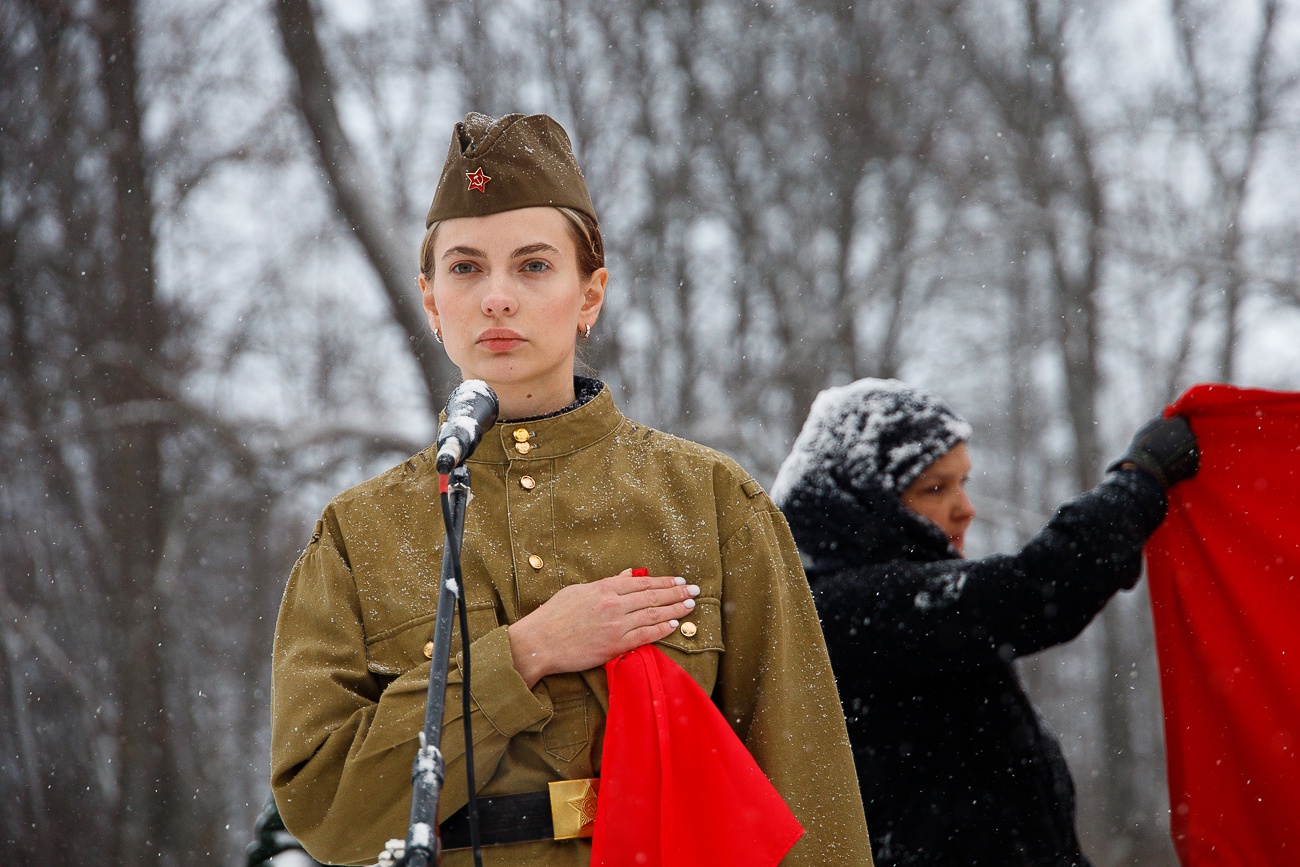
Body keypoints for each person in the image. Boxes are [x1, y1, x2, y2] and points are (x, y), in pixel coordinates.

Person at [270, 113, 872, 866]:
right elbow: (326, 811)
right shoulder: (357, 537)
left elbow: (807, 794)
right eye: (466, 268)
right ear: (430, 301)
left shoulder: (714, 504)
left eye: (532, 266)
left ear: (590, 295)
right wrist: (522, 654)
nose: (497, 297)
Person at [770, 378, 1198, 867]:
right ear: (861, 503)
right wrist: (1139, 483)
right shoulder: (839, 609)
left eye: (963, 483)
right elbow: (1036, 591)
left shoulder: (875, 602)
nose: (966, 509)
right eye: (935, 488)